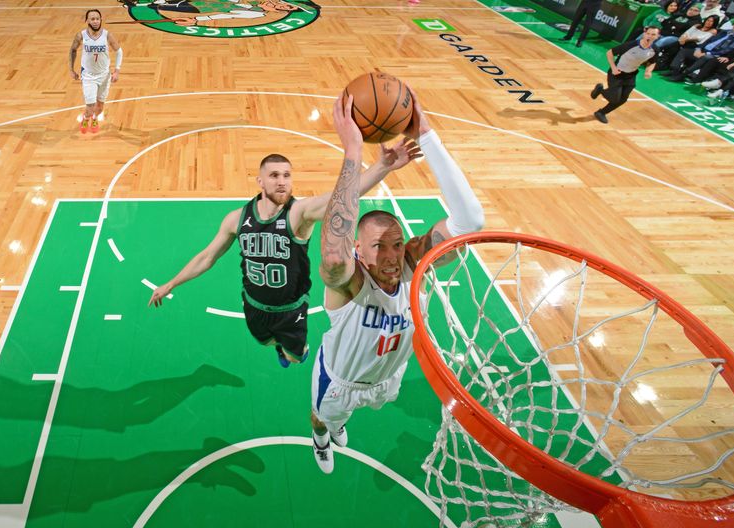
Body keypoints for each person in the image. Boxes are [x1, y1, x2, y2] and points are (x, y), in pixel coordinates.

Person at [309, 90, 484, 474]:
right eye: (377, 246)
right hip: (339, 381)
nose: (390, 256)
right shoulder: (348, 282)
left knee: (364, 407)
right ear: (358, 249)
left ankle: (338, 426)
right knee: (323, 418)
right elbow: (333, 252)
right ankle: (322, 439)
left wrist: (426, 134)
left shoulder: (409, 264)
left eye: (396, 244)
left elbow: (470, 222)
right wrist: (353, 152)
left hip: (389, 378)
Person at [148, 141, 422, 368]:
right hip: (254, 306)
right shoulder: (236, 219)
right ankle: (277, 346)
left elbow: (342, 196)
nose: (282, 182)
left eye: (287, 175)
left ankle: (291, 350)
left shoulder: (299, 214)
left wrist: (382, 166)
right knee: (264, 341)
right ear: (260, 181)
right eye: (275, 175)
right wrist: (171, 283)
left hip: (291, 312)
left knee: (296, 355)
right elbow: (206, 257)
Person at [591, 26, 661, 124]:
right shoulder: (631, 45)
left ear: (657, 36)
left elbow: (653, 62)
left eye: (653, 34)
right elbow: (609, 53)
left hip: (631, 75)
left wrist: (648, 71)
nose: (649, 36)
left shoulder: (655, 49)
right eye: (648, 33)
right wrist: (614, 68)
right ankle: (600, 89)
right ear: (644, 34)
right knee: (615, 98)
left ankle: (601, 113)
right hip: (617, 73)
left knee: (622, 99)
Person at [69, 9, 122, 134]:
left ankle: (94, 117)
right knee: (90, 106)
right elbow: (72, 50)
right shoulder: (81, 35)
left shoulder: (107, 35)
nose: (95, 21)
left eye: (97, 18)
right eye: (92, 19)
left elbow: (119, 51)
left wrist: (117, 70)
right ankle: (86, 118)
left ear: (101, 19)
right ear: (87, 20)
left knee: (100, 108)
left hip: (104, 75)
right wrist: (71, 69)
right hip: (88, 76)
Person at [664, 17, 734, 80]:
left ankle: (683, 74)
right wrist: (699, 48)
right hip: (703, 50)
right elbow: (708, 40)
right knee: (684, 51)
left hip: (715, 54)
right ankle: (674, 70)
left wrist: (707, 53)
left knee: (705, 57)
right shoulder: (724, 32)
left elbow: (727, 50)